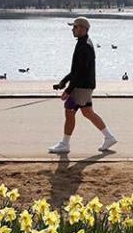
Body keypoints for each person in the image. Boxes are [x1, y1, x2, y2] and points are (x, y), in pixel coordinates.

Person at [48, 16, 117, 154]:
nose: (72, 30)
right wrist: (64, 81)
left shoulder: (84, 45)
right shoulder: (83, 43)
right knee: (87, 112)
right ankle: (109, 137)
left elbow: (79, 72)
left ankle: (65, 144)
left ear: (83, 28)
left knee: (69, 112)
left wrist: (68, 89)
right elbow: (76, 70)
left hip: (81, 86)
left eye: (74, 27)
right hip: (86, 85)